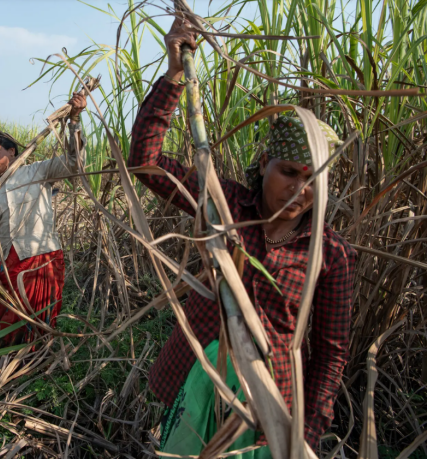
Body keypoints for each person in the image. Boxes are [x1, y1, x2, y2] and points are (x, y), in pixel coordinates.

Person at [127, 19, 357, 457]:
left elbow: (331, 354)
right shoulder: (224, 203)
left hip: (268, 405)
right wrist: (175, 73)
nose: (298, 191)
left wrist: (304, 434)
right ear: (266, 162)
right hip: (198, 378)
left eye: (312, 182)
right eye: (288, 173)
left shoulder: (329, 254)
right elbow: (146, 162)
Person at [0, 92, 88, 388]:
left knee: (40, 319)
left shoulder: (38, 172)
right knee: (0, 322)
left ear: (11, 151)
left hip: (43, 259)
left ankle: (32, 374)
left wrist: (75, 120)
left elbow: (75, 162)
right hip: (7, 268)